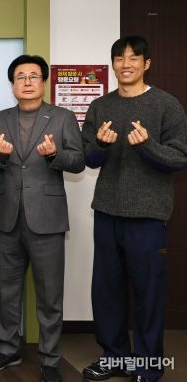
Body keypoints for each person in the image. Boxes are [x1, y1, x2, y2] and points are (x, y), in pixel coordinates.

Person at [81, 36, 187, 382]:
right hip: (107, 212)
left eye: (133, 58)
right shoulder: (100, 106)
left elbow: (179, 158)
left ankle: (148, 366)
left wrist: (147, 146)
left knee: (148, 293)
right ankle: (114, 358)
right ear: (112, 63)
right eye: (119, 58)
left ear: (147, 64)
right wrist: (100, 145)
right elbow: (88, 159)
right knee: (106, 292)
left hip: (148, 216)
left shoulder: (167, 105)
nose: (125, 64)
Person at [0, 55, 85, 382]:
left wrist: (54, 155)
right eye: (20, 77)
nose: (27, 82)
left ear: (43, 81)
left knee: (49, 295)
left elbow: (78, 161)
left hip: (48, 219)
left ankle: (50, 359)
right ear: (12, 84)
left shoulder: (63, 117)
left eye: (33, 76)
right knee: (8, 291)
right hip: (9, 218)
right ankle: (8, 349)